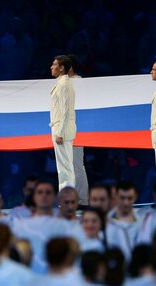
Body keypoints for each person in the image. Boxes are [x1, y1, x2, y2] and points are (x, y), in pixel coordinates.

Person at [50, 55, 77, 191]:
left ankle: (67, 198)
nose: (51, 67)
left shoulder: (64, 85)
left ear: (61, 68)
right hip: (60, 128)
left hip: (63, 130)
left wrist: (60, 132)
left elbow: (66, 111)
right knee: (64, 168)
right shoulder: (61, 83)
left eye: (54, 64)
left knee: (65, 168)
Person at [67, 54, 89, 205]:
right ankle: (71, 198)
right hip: (63, 129)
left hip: (76, 129)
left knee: (76, 164)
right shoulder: (62, 82)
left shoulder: (78, 82)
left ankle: (82, 199)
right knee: (66, 165)